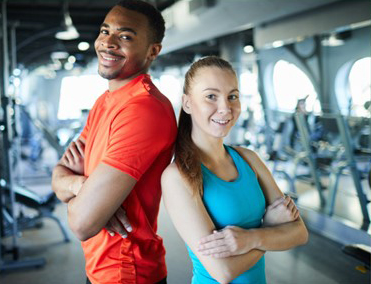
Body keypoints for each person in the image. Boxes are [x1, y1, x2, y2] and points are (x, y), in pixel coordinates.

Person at [51, 1, 177, 283]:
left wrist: (89, 203)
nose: (107, 43)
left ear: (152, 51)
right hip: (99, 268)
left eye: (125, 36)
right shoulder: (104, 102)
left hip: (126, 271)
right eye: (104, 31)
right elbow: (59, 176)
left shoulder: (143, 109)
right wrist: (80, 186)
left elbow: (82, 223)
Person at [161, 56, 309, 284]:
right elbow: (223, 272)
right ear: (188, 103)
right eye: (211, 96)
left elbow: (299, 232)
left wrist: (252, 239)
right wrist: (268, 229)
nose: (225, 108)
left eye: (232, 96)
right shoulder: (177, 176)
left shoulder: (248, 159)